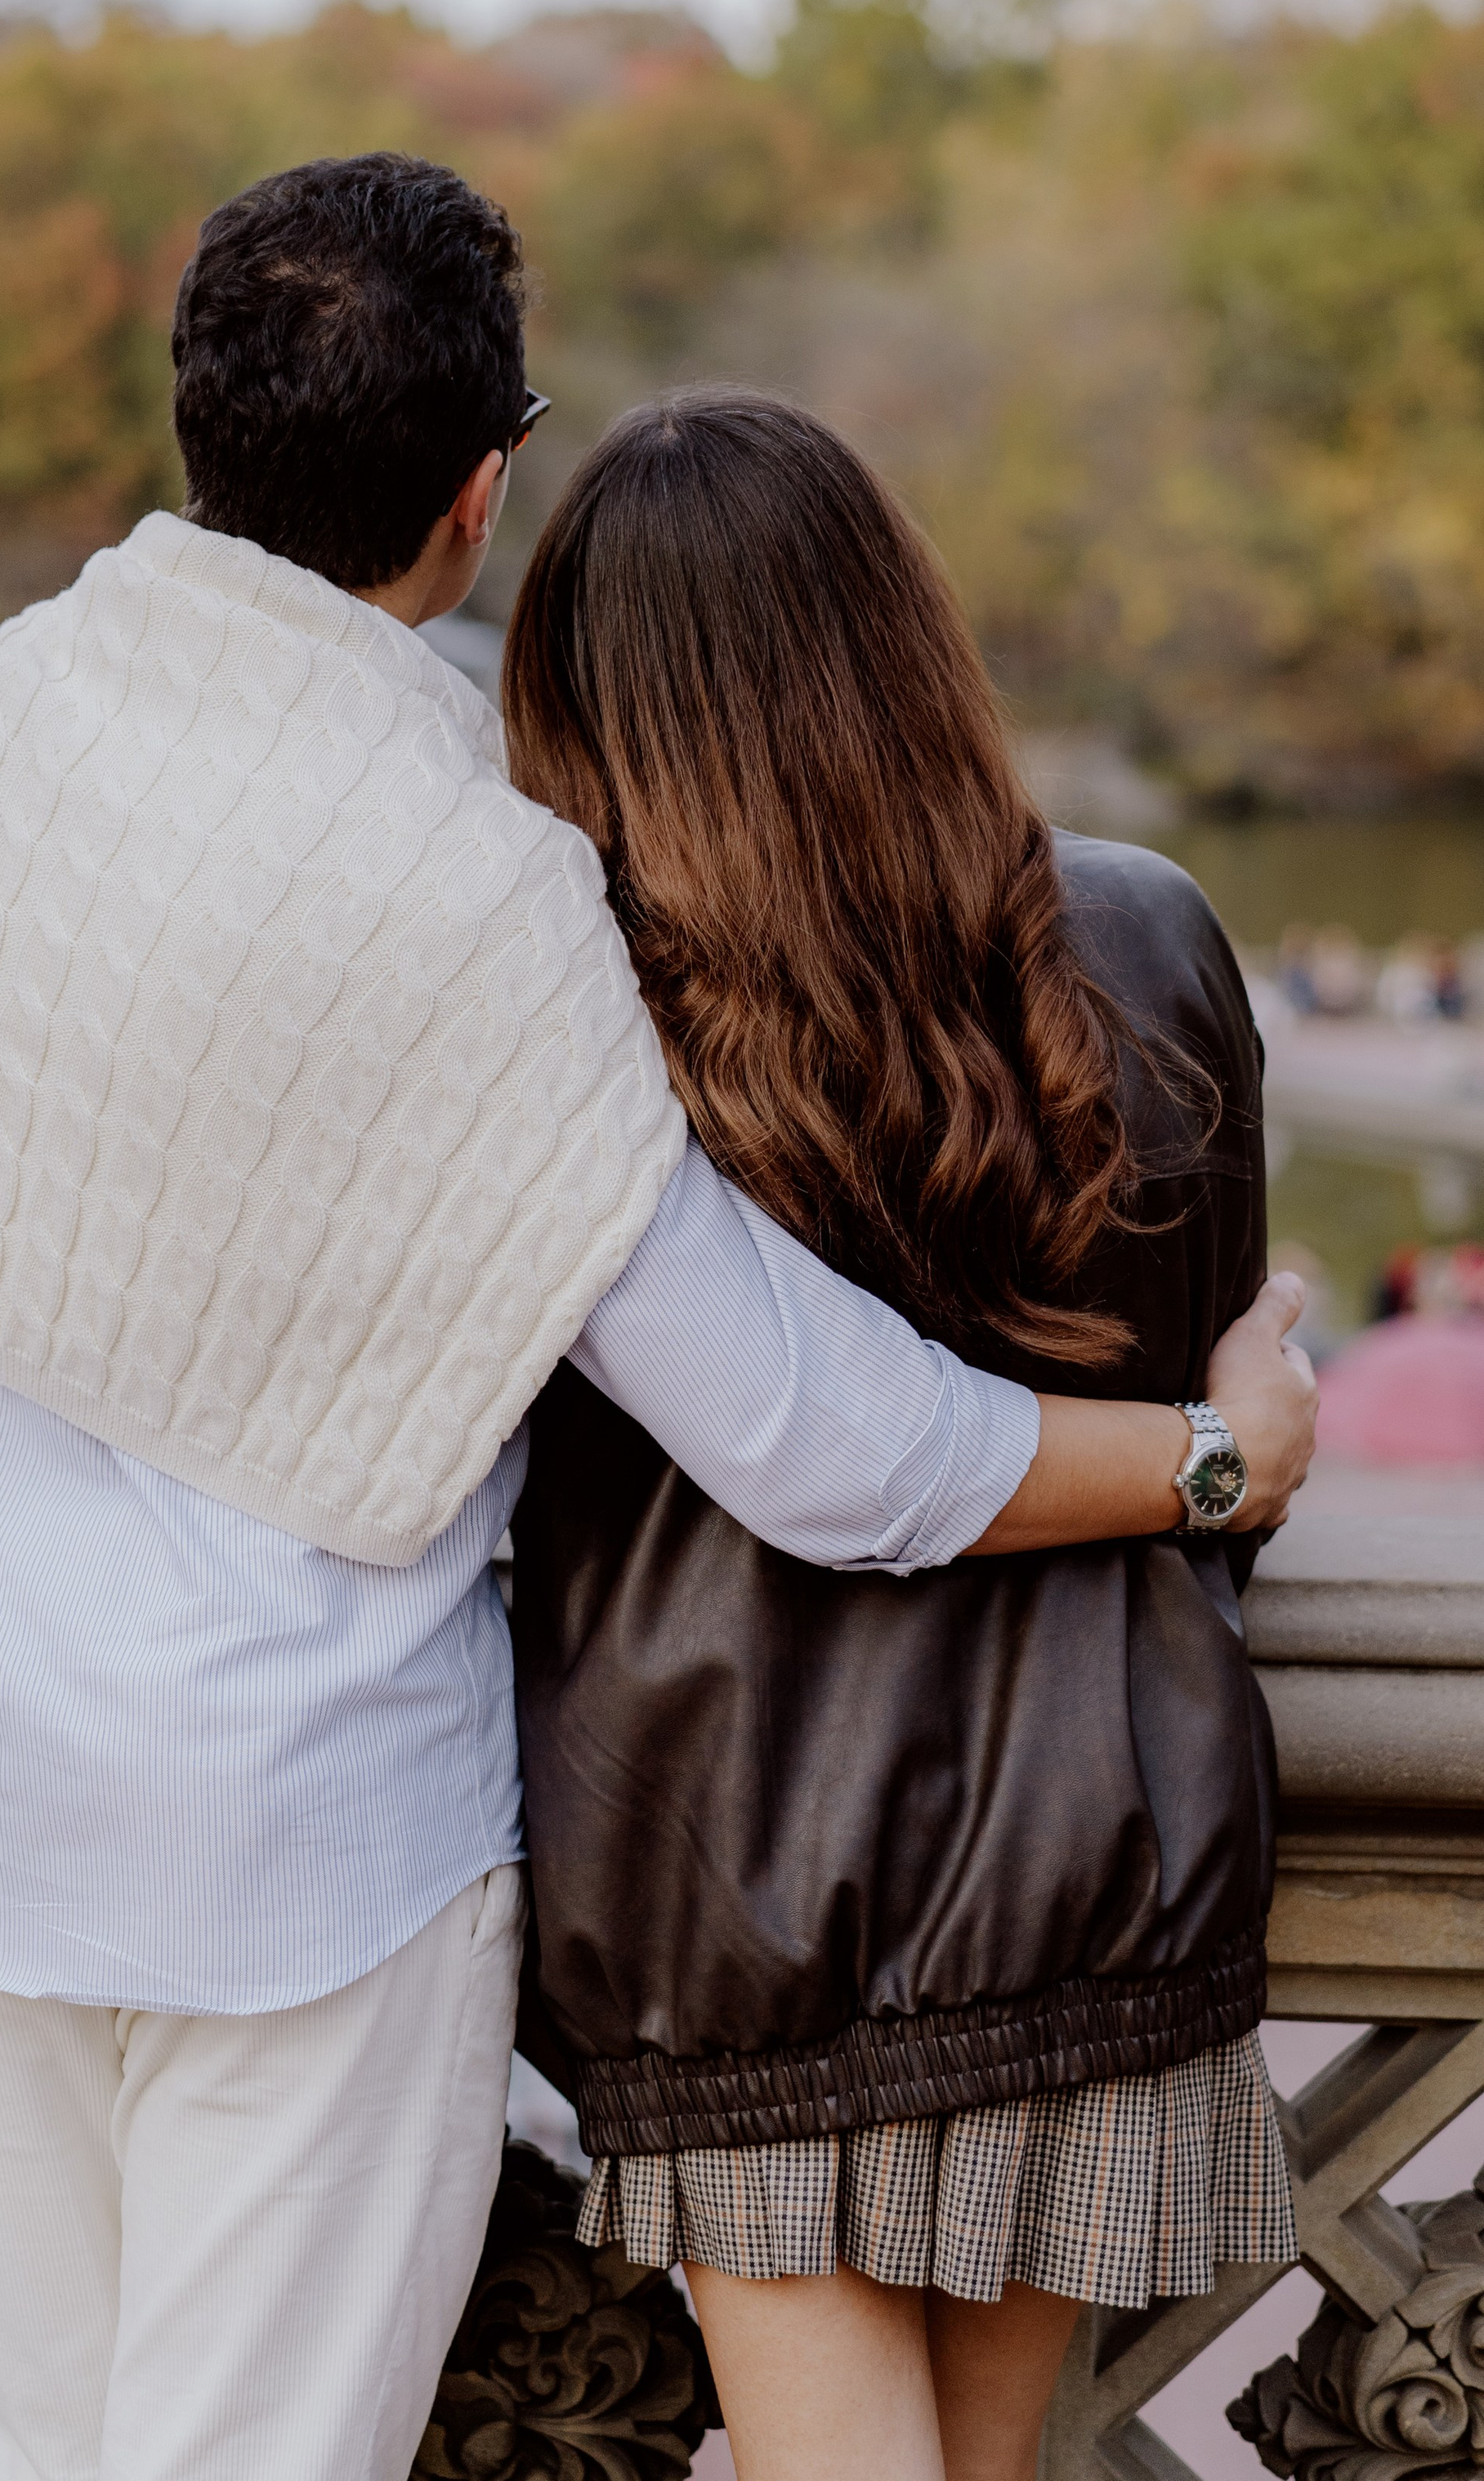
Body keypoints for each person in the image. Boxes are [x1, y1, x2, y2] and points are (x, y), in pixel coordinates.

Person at [0, 159, 1314, 2481]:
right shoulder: (479, 893)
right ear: (482, 492)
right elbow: (822, 1443)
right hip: (310, 1847)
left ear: (197, 418)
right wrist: (1218, 1453)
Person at [503, 391, 1308, 2481]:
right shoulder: (1140, 937)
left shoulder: (585, 1005)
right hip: (1098, 1856)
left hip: (735, 1896)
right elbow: (1201, 1389)